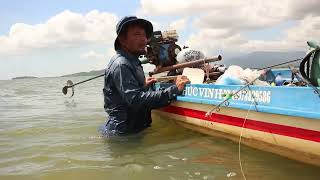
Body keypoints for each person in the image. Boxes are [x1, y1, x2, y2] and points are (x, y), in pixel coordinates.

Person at [100, 16, 190, 137]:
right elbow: (136, 100)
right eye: (137, 35)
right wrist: (174, 90)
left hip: (132, 131)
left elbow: (127, 96)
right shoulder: (121, 64)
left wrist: (141, 85)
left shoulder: (132, 61)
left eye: (144, 35)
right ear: (122, 40)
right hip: (123, 135)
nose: (143, 40)